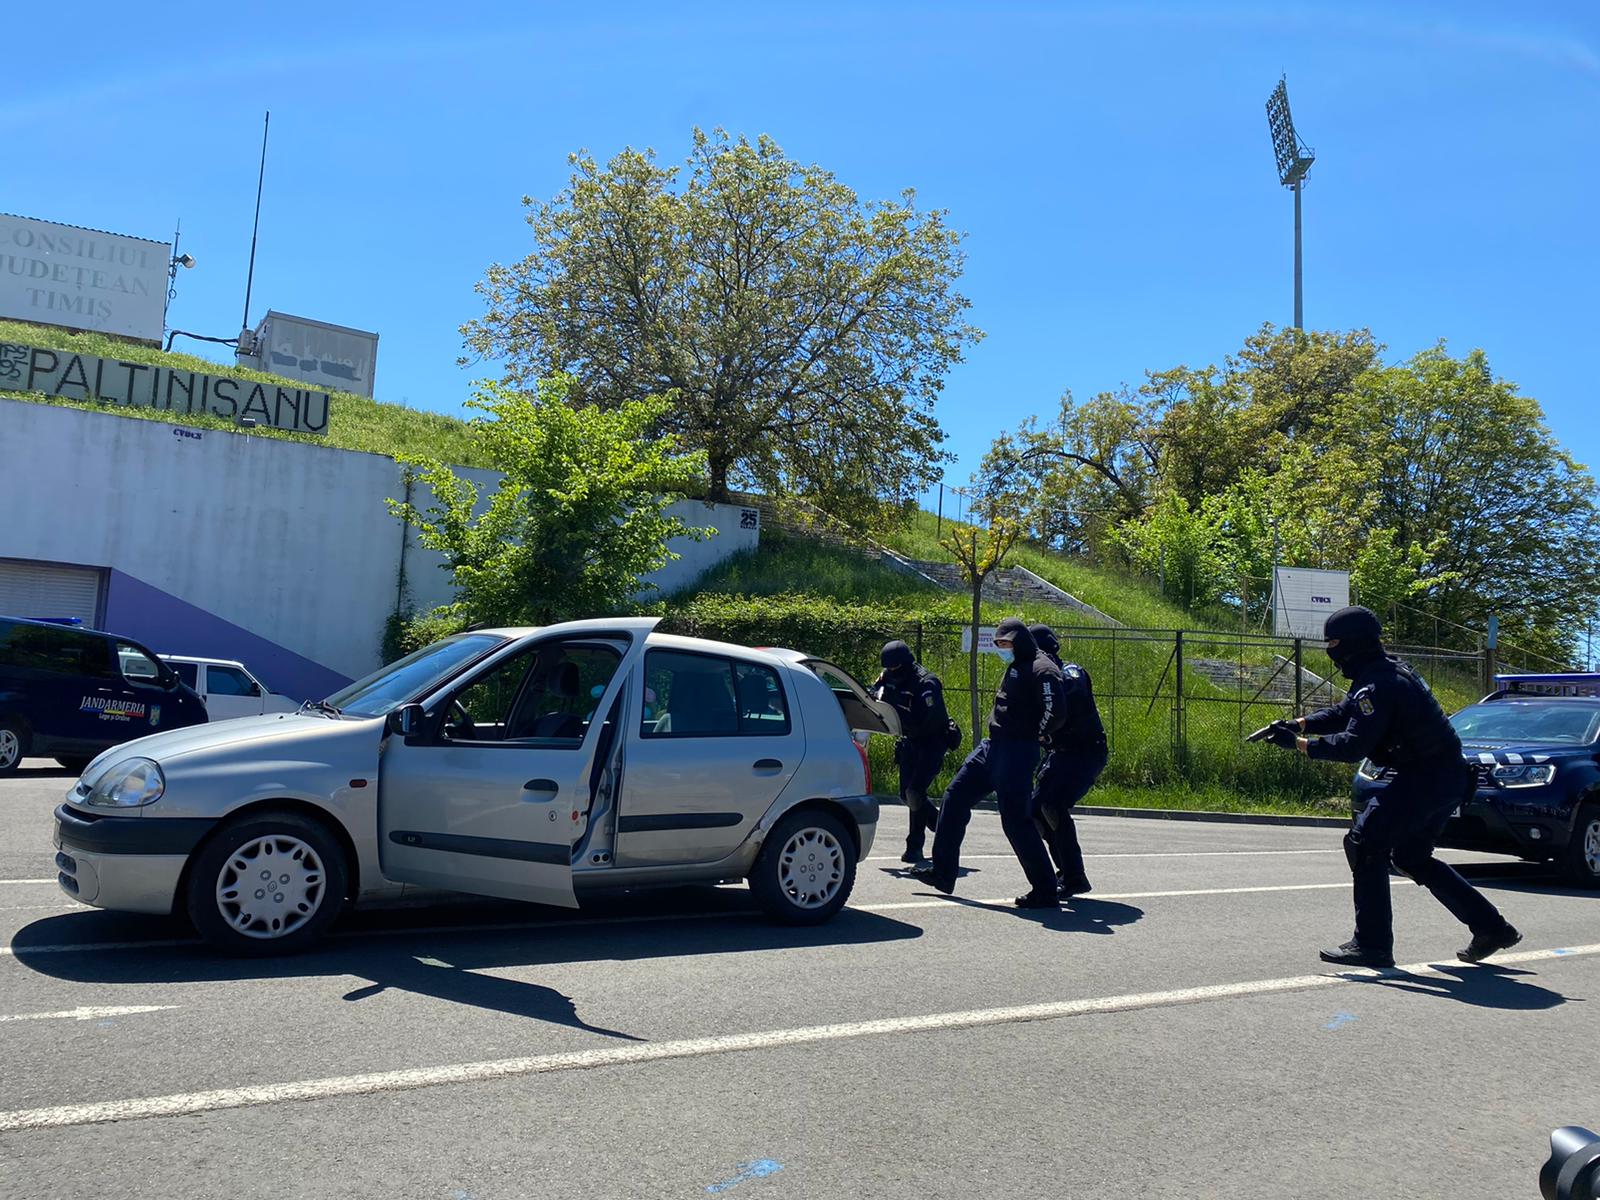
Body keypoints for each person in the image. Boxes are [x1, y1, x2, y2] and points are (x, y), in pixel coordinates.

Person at [1253, 605, 1522, 968]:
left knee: (1364, 843)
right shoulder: (1384, 672)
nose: (1330, 652)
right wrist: (1298, 723)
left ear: (1351, 644)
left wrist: (1298, 745)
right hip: (1443, 777)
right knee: (1411, 857)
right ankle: (1493, 928)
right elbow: (1343, 712)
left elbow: (1352, 746)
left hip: (1424, 778)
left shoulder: (1380, 684)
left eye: (1333, 643)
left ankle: (1373, 944)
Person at [911, 618, 1066, 908]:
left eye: (1005, 644)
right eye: (998, 645)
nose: (1001, 650)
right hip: (991, 747)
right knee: (954, 798)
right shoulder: (1018, 664)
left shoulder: (1042, 668)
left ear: (1018, 641)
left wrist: (1036, 734)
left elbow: (1055, 711)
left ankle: (1045, 890)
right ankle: (943, 873)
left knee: (1016, 821)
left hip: (1017, 752)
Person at [1028, 624, 1107, 897]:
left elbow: (1072, 693)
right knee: (1035, 811)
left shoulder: (1069, 673)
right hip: (1060, 752)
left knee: (1053, 805)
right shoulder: (1035, 679)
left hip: (1084, 751)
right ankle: (1065, 873)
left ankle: (1074, 876)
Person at [869, 640, 950, 863]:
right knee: (905, 794)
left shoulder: (927, 683)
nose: (892, 672)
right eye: (889, 668)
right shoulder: (887, 676)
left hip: (932, 740)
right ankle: (944, 825)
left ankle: (915, 847)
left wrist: (896, 714)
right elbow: (873, 693)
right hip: (910, 740)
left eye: (895, 668)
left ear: (905, 664)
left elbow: (925, 720)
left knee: (915, 792)